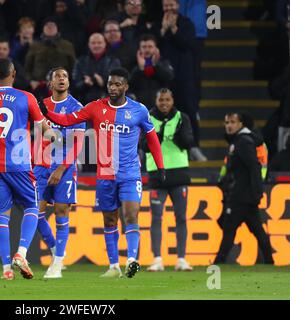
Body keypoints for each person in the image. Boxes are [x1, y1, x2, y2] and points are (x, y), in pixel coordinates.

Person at [39, 68, 165, 278]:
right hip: (105, 174)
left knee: (131, 214)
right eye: (110, 84)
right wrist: (47, 113)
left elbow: (152, 138)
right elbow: (68, 120)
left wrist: (160, 166)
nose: (112, 88)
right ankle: (114, 266)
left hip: (130, 174)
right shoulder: (95, 107)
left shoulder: (139, 110)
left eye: (117, 84)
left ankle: (132, 260)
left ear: (126, 86)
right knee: (109, 220)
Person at [0, 58, 54, 280]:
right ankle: (22, 252)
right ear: (14, 73)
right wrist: (54, 134)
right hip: (20, 165)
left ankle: (6, 269)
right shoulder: (26, 98)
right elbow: (46, 131)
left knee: (1, 215)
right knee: (32, 207)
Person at [33, 67, 85, 278]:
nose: (62, 79)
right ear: (51, 83)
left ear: (68, 82)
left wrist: (62, 168)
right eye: (57, 77)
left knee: (62, 212)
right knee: (34, 213)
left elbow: (78, 143)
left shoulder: (76, 107)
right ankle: (56, 251)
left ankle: (57, 264)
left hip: (65, 166)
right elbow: (36, 135)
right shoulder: (41, 106)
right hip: (41, 166)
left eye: (65, 76)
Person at [143, 88, 193, 272]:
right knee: (156, 217)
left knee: (181, 217)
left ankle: (181, 259)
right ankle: (157, 259)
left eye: (167, 100)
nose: (164, 103)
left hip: (179, 174)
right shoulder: (147, 118)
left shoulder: (182, 118)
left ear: (173, 100)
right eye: (161, 100)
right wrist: (158, 136)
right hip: (157, 174)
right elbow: (143, 146)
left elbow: (189, 142)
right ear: (156, 100)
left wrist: (178, 135)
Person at [214, 113, 274, 265]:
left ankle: (218, 263)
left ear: (241, 124)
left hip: (240, 196)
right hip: (245, 196)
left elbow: (254, 166)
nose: (229, 125)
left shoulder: (243, 142)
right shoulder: (239, 141)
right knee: (257, 231)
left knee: (229, 230)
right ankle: (270, 261)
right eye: (226, 122)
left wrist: (257, 191)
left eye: (233, 122)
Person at [159, 0, 207, 162]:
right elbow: (156, 46)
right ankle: (166, 149)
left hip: (185, 76)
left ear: (178, 6)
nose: (169, 9)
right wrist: (163, 30)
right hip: (165, 77)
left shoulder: (187, 24)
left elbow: (187, 44)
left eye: (172, 5)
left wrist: (173, 29)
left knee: (189, 111)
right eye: (166, 6)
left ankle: (194, 147)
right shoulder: (158, 23)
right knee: (165, 113)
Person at [24, 16, 76, 99]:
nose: (50, 28)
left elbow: (73, 68)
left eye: (52, 26)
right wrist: (31, 81)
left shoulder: (67, 45)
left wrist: (68, 83)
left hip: (62, 87)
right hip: (38, 88)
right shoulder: (35, 46)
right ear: (43, 28)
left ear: (57, 28)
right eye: (47, 26)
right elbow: (27, 68)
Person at [72, 32, 121, 105]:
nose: (96, 45)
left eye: (99, 43)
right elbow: (75, 84)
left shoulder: (113, 61)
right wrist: (85, 84)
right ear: (89, 45)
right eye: (93, 43)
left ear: (105, 44)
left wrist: (104, 83)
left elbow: (118, 85)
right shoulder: (80, 62)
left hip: (108, 103)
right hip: (84, 103)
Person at [129, 34, 174, 108]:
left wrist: (155, 65)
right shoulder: (133, 64)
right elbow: (129, 84)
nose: (147, 50)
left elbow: (169, 78)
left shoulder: (164, 63)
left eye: (150, 47)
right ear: (139, 49)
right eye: (144, 47)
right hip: (140, 107)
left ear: (155, 49)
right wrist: (141, 68)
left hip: (160, 106)